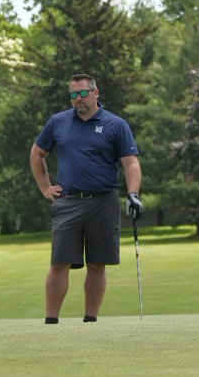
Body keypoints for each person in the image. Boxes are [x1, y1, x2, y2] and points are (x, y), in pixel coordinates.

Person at [30, 73, 143, 324]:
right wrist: (46, 188)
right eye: (73, 95)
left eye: (82, 94)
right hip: (68, 201)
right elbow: (37, 154)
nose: (78, 100)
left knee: (97, 263)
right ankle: (51, 321)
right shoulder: (58, 122)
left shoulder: (115, 124)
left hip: (103, 201)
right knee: (59, 262)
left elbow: (131, 163)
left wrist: (133, 194)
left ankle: (90, 319)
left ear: (95, 93)